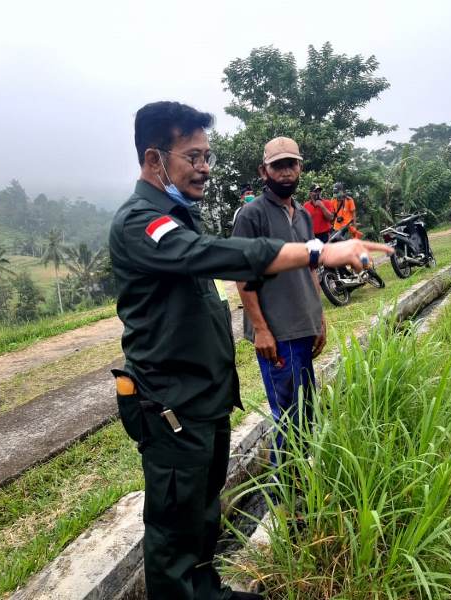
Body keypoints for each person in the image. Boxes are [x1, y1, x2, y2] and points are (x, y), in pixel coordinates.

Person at [108, 101, 391, 600]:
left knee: (202, 511)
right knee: (175, 522)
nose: (204, 167)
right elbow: (216, 256)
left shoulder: (178, 217)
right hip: (171, 402)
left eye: (207, 155)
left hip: (204, 396)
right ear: (155, 160)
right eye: (193, 157)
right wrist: (319, 251)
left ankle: (205, 588)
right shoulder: (141, 222)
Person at [233, 137, 326, 467]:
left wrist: (319, 318)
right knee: (287, 416)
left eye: (292, 164)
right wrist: (260, 329)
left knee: (306, 409)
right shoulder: (251, 215)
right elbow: (244, 278)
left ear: (300, 167)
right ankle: (285, 501)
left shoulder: (303, 215)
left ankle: (302, 485)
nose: (286, 172)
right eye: (278, 165)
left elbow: (310, 268)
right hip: (276, 334)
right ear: (264, 171)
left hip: (303, 326)